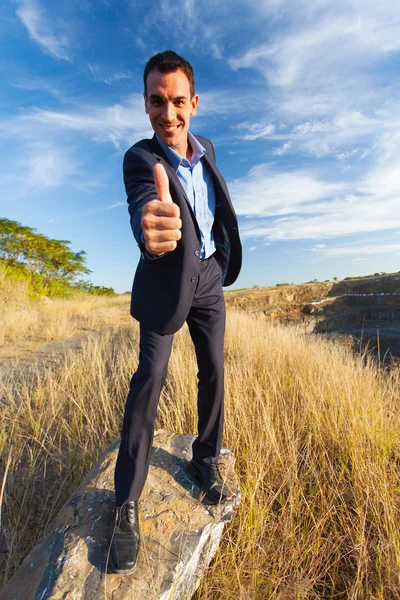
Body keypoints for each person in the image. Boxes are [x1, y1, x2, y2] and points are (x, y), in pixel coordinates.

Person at [110, 51, 242, 575]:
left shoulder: (206, 147)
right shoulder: (140, 158)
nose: (169, 114)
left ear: (194, 102)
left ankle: (203, 457)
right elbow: (146, 204)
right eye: (157, 102)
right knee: (151, 377)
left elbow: (214, 203)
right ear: (145, 104)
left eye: (178, 101)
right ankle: (126, 500)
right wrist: (153, 227)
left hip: (209, 276)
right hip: (165, 283)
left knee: (213, 368)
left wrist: (221, 253)